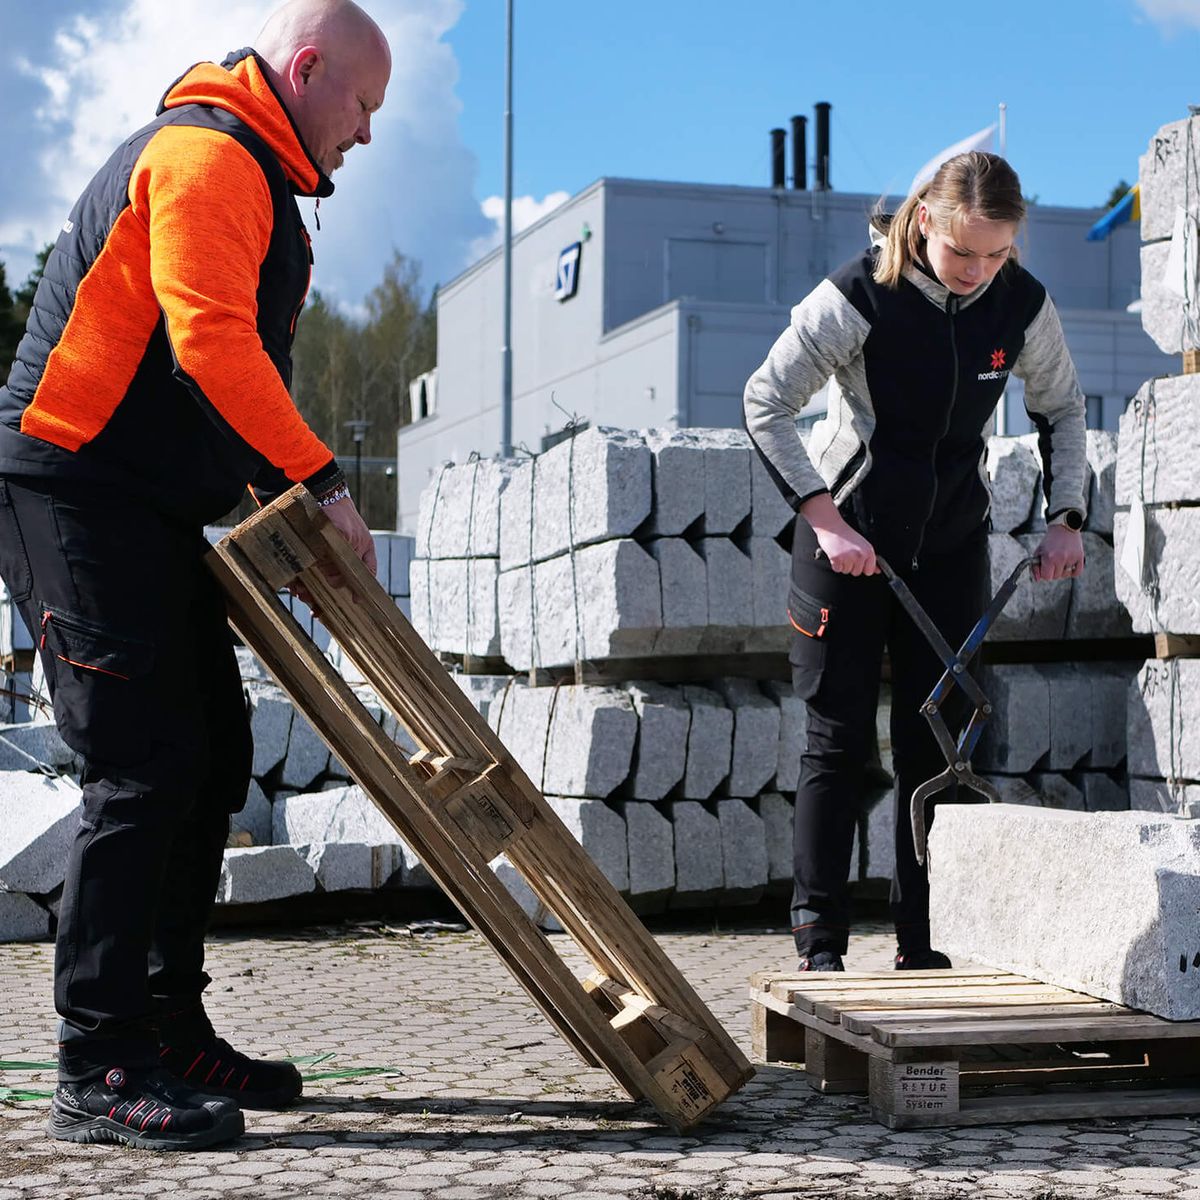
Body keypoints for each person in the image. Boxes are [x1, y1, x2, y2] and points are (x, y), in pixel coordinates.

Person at [0, 0, 390, 1150]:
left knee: (212, 754)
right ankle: (100, 1062)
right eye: (363, 102)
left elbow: (226, 378)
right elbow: (211, 340)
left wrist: (283, 507)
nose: (368, 132)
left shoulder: (258, 176)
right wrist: (322, 482)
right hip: (72, 487)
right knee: (140, 764)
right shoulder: (206, 156)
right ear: (307, 69)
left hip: (147, 506)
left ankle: (168, 1027)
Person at [743, 152, 1087, 975]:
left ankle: (924, 943)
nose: (977, 271)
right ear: (925, 220)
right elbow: (766, 400)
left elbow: (1063, 408)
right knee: (837, 742)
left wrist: (1066, 517)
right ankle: (820, 944)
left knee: (939, 745)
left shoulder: (1020, 303)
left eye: (997, 253)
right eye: (963, 251)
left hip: (951, 545)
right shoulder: (860, 293)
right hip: (848, 543)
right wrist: (824, 519)